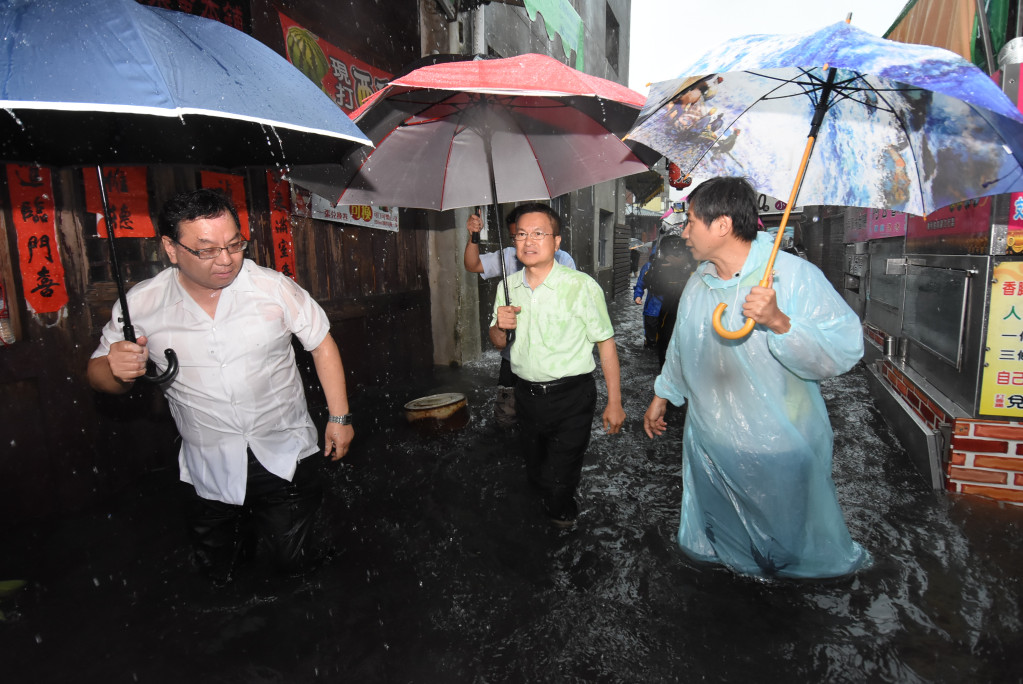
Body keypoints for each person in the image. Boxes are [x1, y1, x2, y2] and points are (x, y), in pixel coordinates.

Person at [88, 189, 354, 584]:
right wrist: (116, 369)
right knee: (221, 574)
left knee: (294, 564)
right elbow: (98, 375)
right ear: (171, 248)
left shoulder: (272, 288)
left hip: (284, 452)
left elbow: (321, 343)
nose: (226, 259)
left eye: (234, 245)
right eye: (207, 250)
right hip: (206, 465)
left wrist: (339, 416)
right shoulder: (141, 305)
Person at [642, 177, 868, 579]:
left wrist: (781, 323)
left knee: (784, 559)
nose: (685, 231)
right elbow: (683, 344)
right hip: (709, 441)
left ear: (723, 225)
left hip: (777, 448)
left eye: (691, 221)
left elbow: (845, 350)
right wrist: (664, 392)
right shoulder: (699, 281)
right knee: (722, 553)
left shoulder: (794, 277)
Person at [489, 203, 625, 527]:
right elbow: (497, 342)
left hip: (573, 397)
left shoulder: (582, 287)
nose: (529, 241)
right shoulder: (506, 288)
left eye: (539, 233)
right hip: (526, 395)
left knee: (562, 478)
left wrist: (615, 402)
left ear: (557, 242)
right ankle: (541, 526)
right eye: (521, 234)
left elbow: (605, 343)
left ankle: (563, 526)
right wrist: (500, 327)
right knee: (534, 471)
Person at [464, 206, 576, 429]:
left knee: (546, 421)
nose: (526, 244)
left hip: (548, 357)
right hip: (512, 356)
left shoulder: (564, 261)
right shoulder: (507, 259)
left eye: (534, 234)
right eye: (518, 236)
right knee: (507, 419)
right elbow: (472, 264)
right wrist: (473, 237)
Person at [643, 235, 696, 369]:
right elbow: (650, 283)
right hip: (666, 309)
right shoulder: (657, 264)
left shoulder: (700, 266)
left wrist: (685, 266)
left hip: (682, 314)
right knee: (664, 343)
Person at [633, 251, 662, 349]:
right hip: (653, 309)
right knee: (651, 341)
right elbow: (641, 284)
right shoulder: (650, 266)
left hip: (668, 310)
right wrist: (638, 296)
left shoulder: (681, 267)